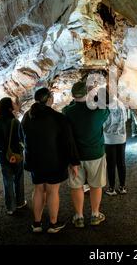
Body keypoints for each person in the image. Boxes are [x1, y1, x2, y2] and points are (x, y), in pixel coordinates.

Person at [20, 88, 80, 234]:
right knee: (53, 191)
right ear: (49, 99)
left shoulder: (27, 117)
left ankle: (37, 223)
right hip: (54, 161)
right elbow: (68, 142)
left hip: (34, 160)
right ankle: (53, 224)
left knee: (39, 189)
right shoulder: (58, 118)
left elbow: (22, 137)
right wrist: (74, 162)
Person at [62, 80, 109, 228]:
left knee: (77, 186)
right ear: (87, 93)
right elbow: (106, 108)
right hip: (95, 154)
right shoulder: (98, 110)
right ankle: (95, 214)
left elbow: (68, 108)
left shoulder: (68, 112)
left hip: (75, 156)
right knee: (96, 185)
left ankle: (79, 216)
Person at [0, 97, 26, 215]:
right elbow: (22, 139)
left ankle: (10, 207)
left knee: (7, 181)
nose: (14, 105)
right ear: (9, 108)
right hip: (17, 155)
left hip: (3, 157)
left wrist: (3, 150)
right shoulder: (15, 122)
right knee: (19, 178)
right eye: (12, 103)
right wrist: (20, 149)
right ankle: (20, 202)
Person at [104, 94, 128, 196]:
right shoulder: (120, 103)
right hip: (121, 138)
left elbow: (103, 124)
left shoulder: (104, 108)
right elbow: (126, 118)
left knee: (111, 164)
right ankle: (122, 187)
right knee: (121, 163)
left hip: (109, 140)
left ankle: (111, 188)